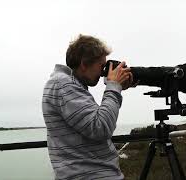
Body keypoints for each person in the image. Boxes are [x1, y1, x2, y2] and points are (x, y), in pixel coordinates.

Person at [42, 34, 133, 180]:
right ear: (84, 64)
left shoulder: (70, 85)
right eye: (101, 66)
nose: (103, 72)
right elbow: (100, 127)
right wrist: (114, 87)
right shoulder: (63, 84)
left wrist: (117, 89)